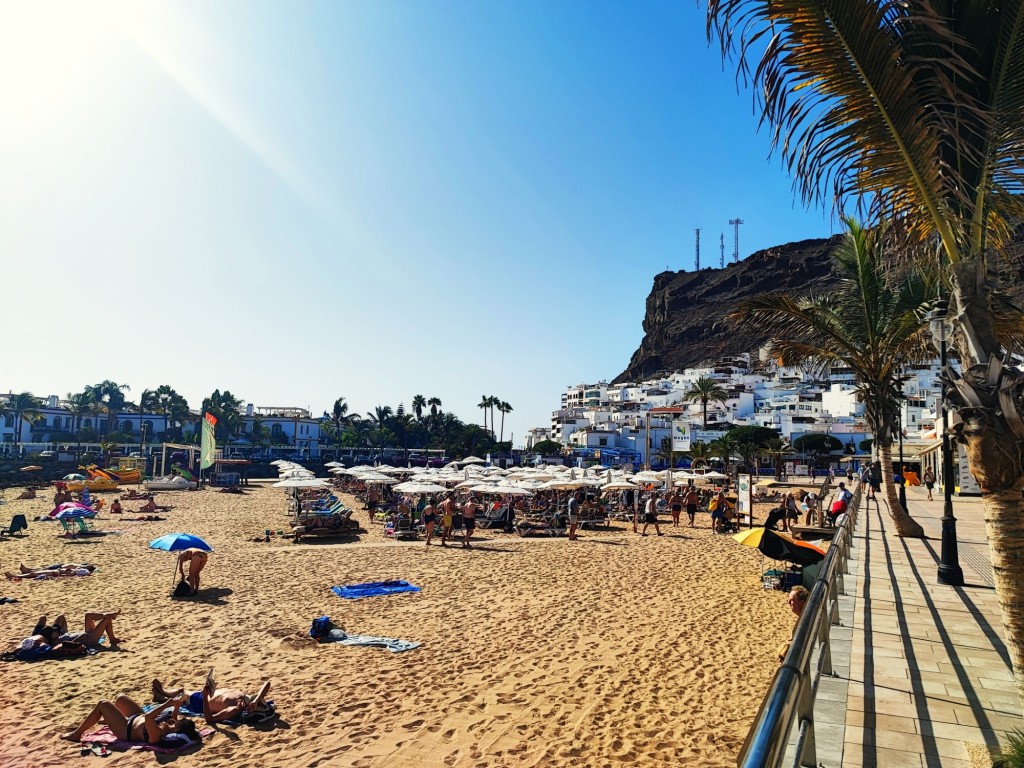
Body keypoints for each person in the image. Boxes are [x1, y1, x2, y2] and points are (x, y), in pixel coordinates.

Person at [62, 691, 197, 744]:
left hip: (125, 729)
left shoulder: (158, 735)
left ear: (178, 730)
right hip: (137, 716)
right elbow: (172, 717)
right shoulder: (170, 725)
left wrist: (167, 704)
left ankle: (77, 734)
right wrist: (177, 706)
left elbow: (149, 719)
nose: (175, 721)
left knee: (103, 704)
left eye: (177, 723)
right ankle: (110, 718)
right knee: (121, 698)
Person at [153, 670, 271, 725]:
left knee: (182, 692)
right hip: (209, 694)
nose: (252, 699)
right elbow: (267, 684)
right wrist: (256, 700)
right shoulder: (245, 698)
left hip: (202, 701)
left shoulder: (235, 709)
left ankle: (162, 693)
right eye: (255, 698)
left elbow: (209, 719)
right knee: (183, 694)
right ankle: (162, 697)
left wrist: (204, 697)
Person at [28, 611, 121, 648]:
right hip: (89, 639)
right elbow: (71, 644)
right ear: (51, 636)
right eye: (54, 632)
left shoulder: (58, 637)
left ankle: (109, 615)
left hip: (86, 634)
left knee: (88, 615)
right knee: (107, 620)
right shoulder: (56, 643)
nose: (56, 631)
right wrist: (80, 638)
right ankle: (112, 638)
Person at [778, 586, 809, 663]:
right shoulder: (804, 616)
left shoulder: (805, 621)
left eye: (791, 600)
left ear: (802, 603)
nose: (788, 602)